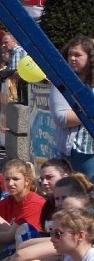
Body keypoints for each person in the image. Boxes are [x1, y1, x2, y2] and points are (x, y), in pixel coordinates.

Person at [50, 35, 94, 177]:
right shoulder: (62, 83)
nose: (72, 58)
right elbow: (61, 118)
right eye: (70, 54)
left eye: (78, 55)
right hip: (79, 151)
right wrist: (90, 110)